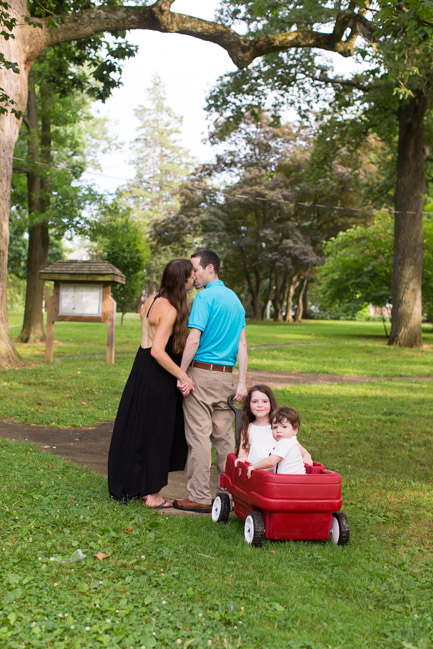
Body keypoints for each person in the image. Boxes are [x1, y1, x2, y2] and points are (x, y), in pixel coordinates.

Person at [107, 258, 195, 507]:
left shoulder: (153, 298)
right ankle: (153, 495)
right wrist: (183, 375)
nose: (193, 279)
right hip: (157, 373)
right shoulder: (170, 309)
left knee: (140, 427)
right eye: (190, 276)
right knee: (158, 432)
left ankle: (135, 484)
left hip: (141, 367)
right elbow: (158, 350)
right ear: (183, 280)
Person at [172, 249, 248, 513]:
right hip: (226, 378)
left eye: (196, 269)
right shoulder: (236, 301)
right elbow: (242, 345)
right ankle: (230, 494)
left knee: (199, 437)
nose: (194, 275)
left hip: (201, 376)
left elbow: (194, 338)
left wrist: (182, 373)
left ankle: (200, 496)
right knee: (225, 439)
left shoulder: (205, 297)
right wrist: (242, 382)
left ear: (210, 268)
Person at [235, 385, 313, 467]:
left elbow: (296, 446)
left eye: (264, 401)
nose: (260, 405)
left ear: (270, 403)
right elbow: (243, 451)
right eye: (255, 401)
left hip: (277, 472)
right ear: (249, 404)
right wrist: (242, 458)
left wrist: (307, 455)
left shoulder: (279, 427)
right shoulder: (248, 428)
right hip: (255, 471)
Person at [246, 406, 309, 477]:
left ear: (295, 430)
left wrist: (254, 466)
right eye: (275, 427)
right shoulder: (292, 441)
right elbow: (279, 465)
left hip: (291, 481)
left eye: (284, 427)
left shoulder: (285, 442)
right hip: (294, 480)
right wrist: (264, 470)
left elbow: (270, 461)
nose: (278, 431)